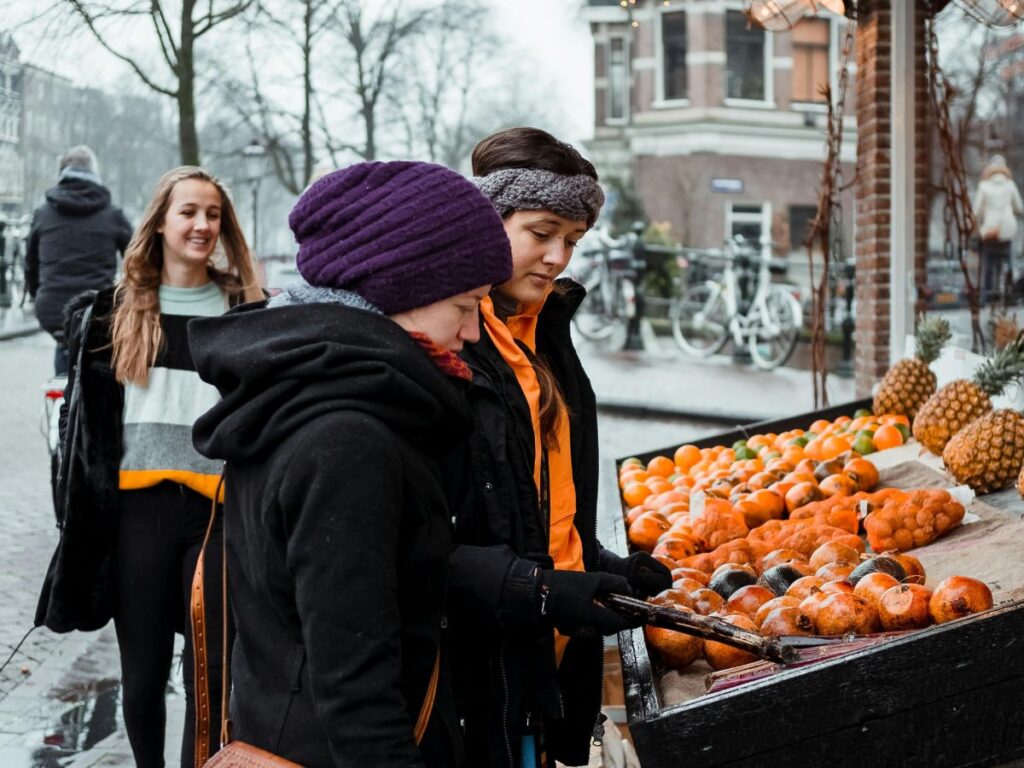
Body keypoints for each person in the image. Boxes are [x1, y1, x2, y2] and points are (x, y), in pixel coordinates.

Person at [188, 161, 514, 766]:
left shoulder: (300, 388)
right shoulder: (349, 438)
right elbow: (355, 688)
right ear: (397, 290)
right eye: (465, 304)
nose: (472, 331)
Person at [442, 127, 672, 768]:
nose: (557, 257)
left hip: (550, 647)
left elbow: (537, 495)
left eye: (571, 240)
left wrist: (601, 564)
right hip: (482, 664)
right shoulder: (452, 343)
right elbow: (434, 530)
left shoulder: (547, 331)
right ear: (488, 224)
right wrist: (538, 589)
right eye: (541, 233)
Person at [35, 166, 262, 768]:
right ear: (160, 221)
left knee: (210, 673)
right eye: (188, 212)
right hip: (138, 512)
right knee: (142, 671)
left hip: (216, 513)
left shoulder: (244, 309)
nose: (202, 225)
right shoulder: (115, 310)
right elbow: (83, 432)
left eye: (213, 214)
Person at [25, 145, 133, 375]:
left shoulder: (43, 213)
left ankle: (58, 399)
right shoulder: (113, 215)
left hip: (51, 309)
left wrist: (38, 296)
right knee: (98, 356)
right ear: (95, 174)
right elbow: (138, 259)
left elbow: (30, 265)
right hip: (96, 307)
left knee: (65, 345)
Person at [973, 154, 1023, 305]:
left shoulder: (984, 186)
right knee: (1007, 260)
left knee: (988, 264)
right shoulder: (1010, 185)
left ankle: (987, 294)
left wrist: (976, 225)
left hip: (990, 230)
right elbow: (1019, 207)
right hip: (1007, 230)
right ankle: (1008, 290)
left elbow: (976, 211)